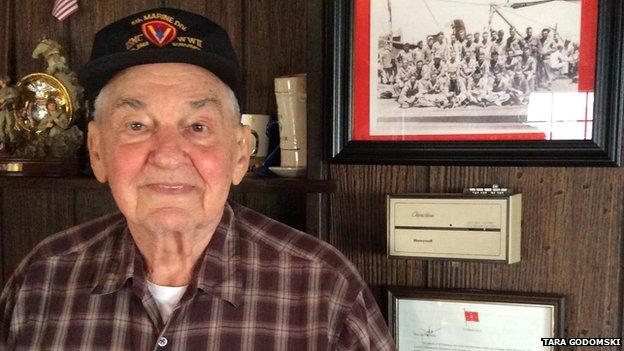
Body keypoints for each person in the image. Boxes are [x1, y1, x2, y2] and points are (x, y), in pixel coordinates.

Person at [0, 8, 395, 350]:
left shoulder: (325, 290)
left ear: (241, 152)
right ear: (97, 150)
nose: (169, 154)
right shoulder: (42, 280)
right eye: (137, 125)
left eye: (198, 126)